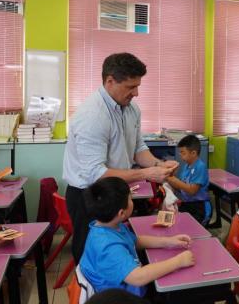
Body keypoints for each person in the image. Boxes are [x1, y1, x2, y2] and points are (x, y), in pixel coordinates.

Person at [63, 53, 178, 264]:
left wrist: (158, 165)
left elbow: (137, 149)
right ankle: (89, 284)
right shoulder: (92, 116)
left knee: (118, 248)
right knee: (91, 254)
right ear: (110, 81)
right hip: (89, 195)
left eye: (138, 86)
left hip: (115, 190)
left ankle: (121, 280)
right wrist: (145, 174)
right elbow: (96, 173)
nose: (136, 93)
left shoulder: (131, 109)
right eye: (130, 87)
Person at [80, 177, 194, 297]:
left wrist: (169, 241)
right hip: (122, 297)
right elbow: (138, 277)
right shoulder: (108, 247)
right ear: (121, 213)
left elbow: (134, 241)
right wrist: (178, 261)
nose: (132, 200)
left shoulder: (109, 225)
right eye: (130, 198)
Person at [165, 135, 211, 225]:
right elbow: (182, 188)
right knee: (172, 220)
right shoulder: (186, 166)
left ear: (193, 153)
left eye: (183, 153)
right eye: (180, 152)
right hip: (187, 203)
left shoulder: (200, 166)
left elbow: (192, 191)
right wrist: (169, 179)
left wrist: (175, 181)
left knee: (187, 227)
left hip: (199, 206)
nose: (180, 155)